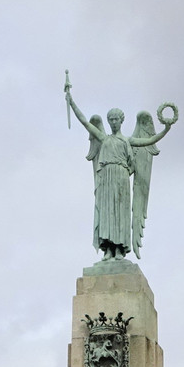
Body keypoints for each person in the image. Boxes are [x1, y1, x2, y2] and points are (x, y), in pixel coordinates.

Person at [66, 84, 173, 260]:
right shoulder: (103, 138)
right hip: (106, 178)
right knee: (107, 212)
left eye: (116, 119)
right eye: (111, 120)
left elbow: (150, 140)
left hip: (121, 177)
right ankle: (107, 248)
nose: (113, 122)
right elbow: (85, 121)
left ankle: (119, 249)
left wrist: (166, 129)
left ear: (121, 121)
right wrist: (71, 101)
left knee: (120, 213)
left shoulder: (128, 140)